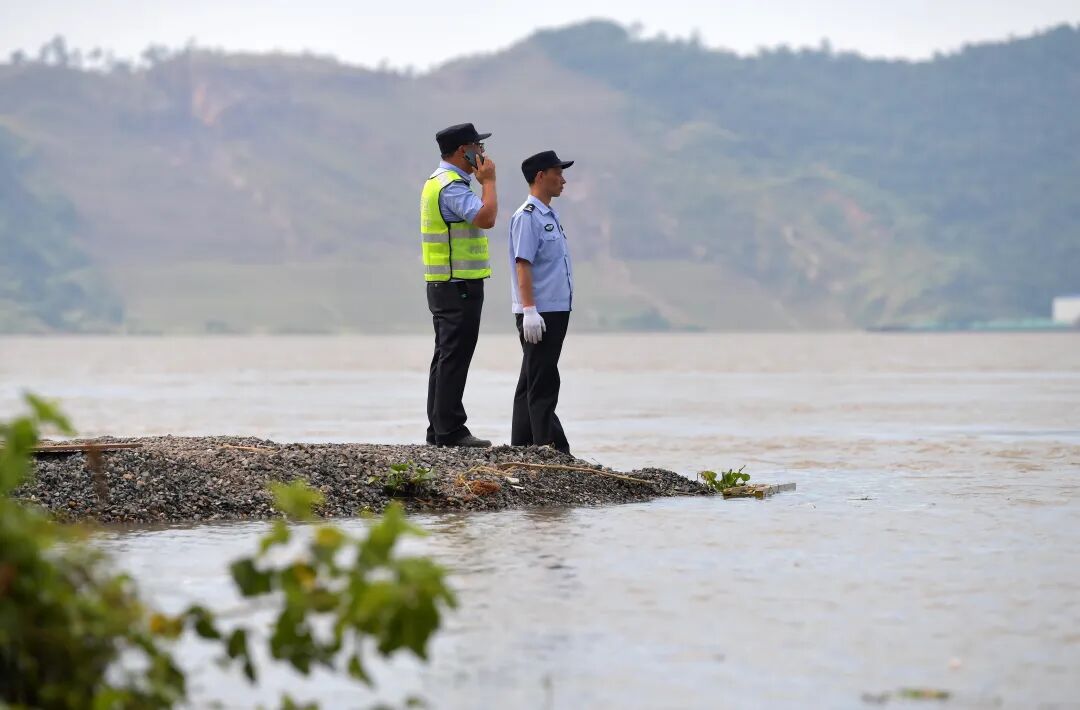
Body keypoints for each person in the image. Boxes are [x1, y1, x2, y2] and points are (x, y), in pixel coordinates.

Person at [421, 123, 497, 447]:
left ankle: (438, 430)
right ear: (462, 150)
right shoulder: (451, 186)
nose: (482, 153)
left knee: (445, 355)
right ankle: (450, 430)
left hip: (444, 283)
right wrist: (489, 183)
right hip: (458, 284)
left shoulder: (436, 182)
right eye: (477, 146)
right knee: (454, 355)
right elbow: (486, 217)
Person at [508, 150, 575, 455]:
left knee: (531, 379)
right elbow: (523, 264)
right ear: (540, 177)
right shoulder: (528, 217)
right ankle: (551, 448)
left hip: (556, 307)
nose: (562, 179)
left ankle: (522, 444)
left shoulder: (549, 215)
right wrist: (529, 310)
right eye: (557, 173)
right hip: (541, 310)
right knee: (544, 379)